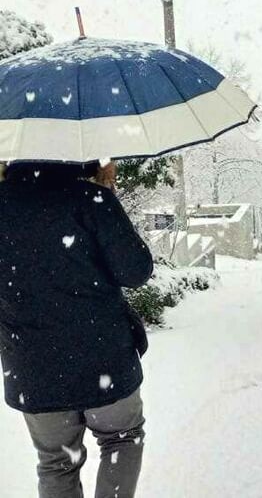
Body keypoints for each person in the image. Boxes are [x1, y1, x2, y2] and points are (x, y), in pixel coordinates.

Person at [0, 161, 153, 498]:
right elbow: (136, 271)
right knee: (122, 438)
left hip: (32, 366)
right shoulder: (89, 199)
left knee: (56, 461)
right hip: (104, 356)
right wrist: (105, 197)